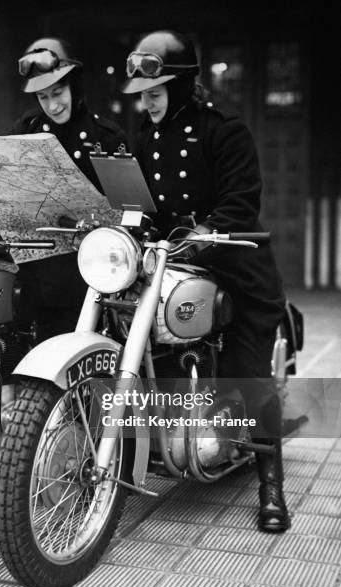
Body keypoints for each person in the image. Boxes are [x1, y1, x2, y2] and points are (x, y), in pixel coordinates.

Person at [122, 30, 290, 533]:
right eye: (142, 96)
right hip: (171, 267)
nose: (147, 104)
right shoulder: (145, 138)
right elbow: (141, 205)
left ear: (180, 85)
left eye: (155, 94)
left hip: (235, 271)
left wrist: (199, 235)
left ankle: (271, 485)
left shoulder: (223, 131)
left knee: (249, 375)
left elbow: (240, 205)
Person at [0, 37, 127, 339]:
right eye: (42, 97)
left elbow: (128, 211)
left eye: (58, 92)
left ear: (74, 86)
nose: (53, 105)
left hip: (78, 269)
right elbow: (0, 197)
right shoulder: (23, 130)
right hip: (26, 259)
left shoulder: (106, 137)